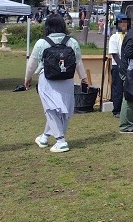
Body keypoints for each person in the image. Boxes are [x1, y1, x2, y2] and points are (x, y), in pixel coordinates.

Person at [23, 14, 90, 153]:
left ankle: (61, 141)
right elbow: (78, 62)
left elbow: (32, 63)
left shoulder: (42, 42)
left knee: (51, 110)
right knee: (62, 110)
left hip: (47, 80)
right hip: (67, 80)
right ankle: (44, 138)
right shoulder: (72, 42)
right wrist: (84, 78)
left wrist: (27, 78)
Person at [108, 13, 130, 117]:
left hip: (129, 65)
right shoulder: (114, 37)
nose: (123, 25)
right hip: (117, 65)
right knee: (118, 88)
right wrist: (121, 65)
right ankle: (116, 110)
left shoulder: (130, 36)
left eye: (125, 22)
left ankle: (126, 109)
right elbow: (114, 53)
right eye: (121, 23)